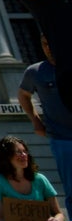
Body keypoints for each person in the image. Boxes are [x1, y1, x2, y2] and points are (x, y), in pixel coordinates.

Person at [19, 36, 72, 196]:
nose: (48, 48)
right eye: (44, 44)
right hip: (61, 138)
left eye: (51, 43)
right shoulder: (35, 72)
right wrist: (36, 121)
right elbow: (23, 95)